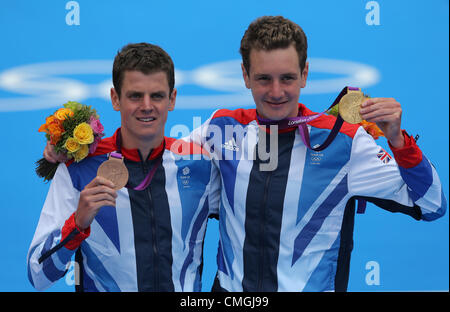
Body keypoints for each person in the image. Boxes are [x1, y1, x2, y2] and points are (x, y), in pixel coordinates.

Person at [187, 15, 446, 291]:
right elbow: (161, 168)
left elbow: (432, 204)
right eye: (264, 78)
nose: (276, 92)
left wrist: (398, 141)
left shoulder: (344, 143)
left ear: (305, 74)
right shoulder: (223, 129)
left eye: (287, 78)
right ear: (245, 75)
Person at [27, 43, 219, 292]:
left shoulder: (200, 167)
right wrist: (77, 224)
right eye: (135, 96)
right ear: (115, 98)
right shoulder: (79, 171)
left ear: (172, 99)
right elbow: (37, 274)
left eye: (157, 95)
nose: (147, 105)